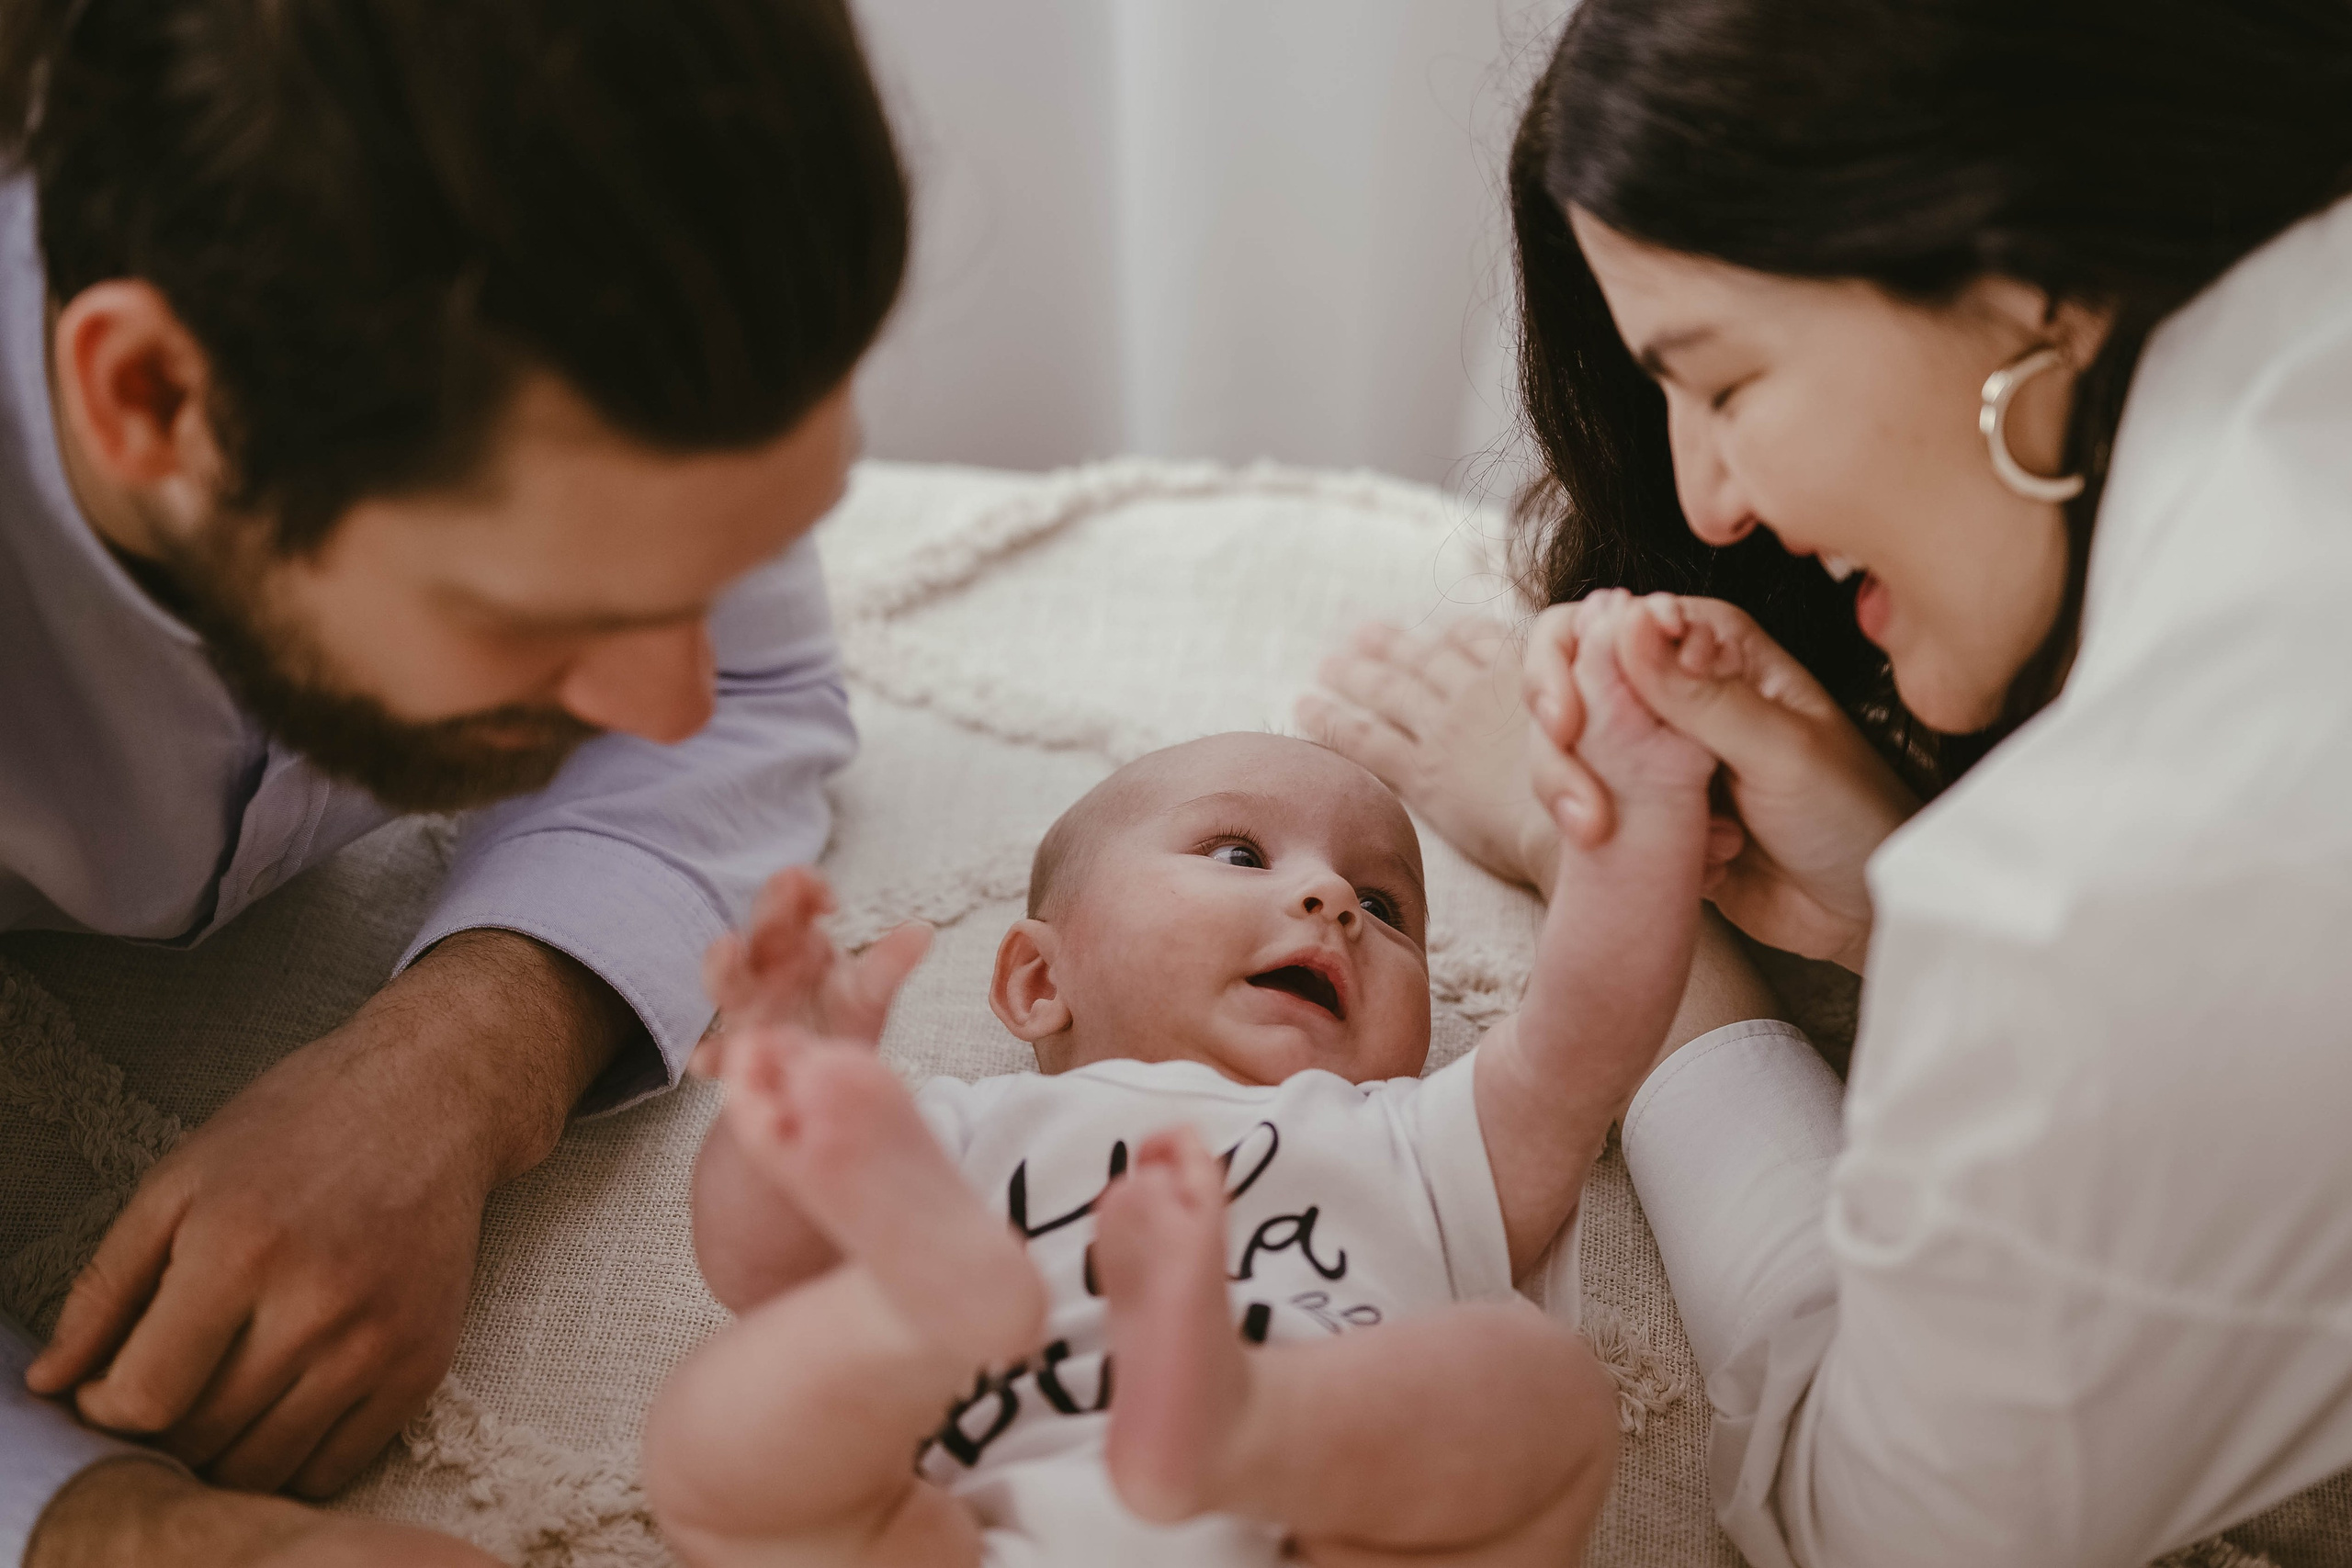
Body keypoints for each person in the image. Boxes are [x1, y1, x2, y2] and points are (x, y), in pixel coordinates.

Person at [1306, 2, 2352, 1564]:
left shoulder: (2104, 885)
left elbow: (1873, 1522)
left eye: (1724, 383)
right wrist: (1896, 892)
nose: (1707, 504)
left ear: (2033, 284)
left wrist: (1608, 881)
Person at [0, 1, 907, 1562]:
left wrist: (462, 1059)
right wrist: (123, 1525)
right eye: (544, 615)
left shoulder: (613, 290)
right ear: (151, 401)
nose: (674, 698)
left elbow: (755, 695)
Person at [639, 728, 1781, 1568]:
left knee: (1537, 1388)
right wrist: (793, 1097)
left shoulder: (1413, 1139)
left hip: (1326, 1530)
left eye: (1385, 907)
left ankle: (1248, 1427)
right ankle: (935, 1321)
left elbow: (1585, 1034)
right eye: (1238, 854)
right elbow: (765, 1264)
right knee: (721, 1433)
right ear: (1039, 980)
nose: (1330, 896)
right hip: (952, 1538)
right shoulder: (953, 1134)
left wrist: (1642, 833)